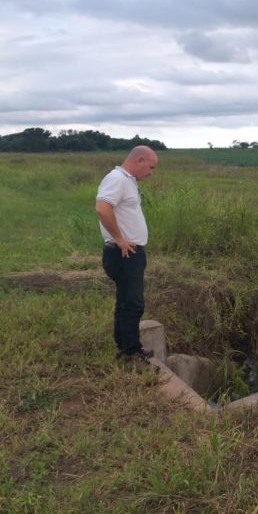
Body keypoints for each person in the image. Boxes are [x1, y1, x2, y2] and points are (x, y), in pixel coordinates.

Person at [96, 145, 158, 368]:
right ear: (139, 160)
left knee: (127, 303)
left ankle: (128, 348)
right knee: (132, 304)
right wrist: (120, 239)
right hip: (124, 253)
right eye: (151, 167)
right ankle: (131, 354)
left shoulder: (127, 180)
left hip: (129, 253)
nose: (151, 172)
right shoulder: (117, 179)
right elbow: (102, 208)